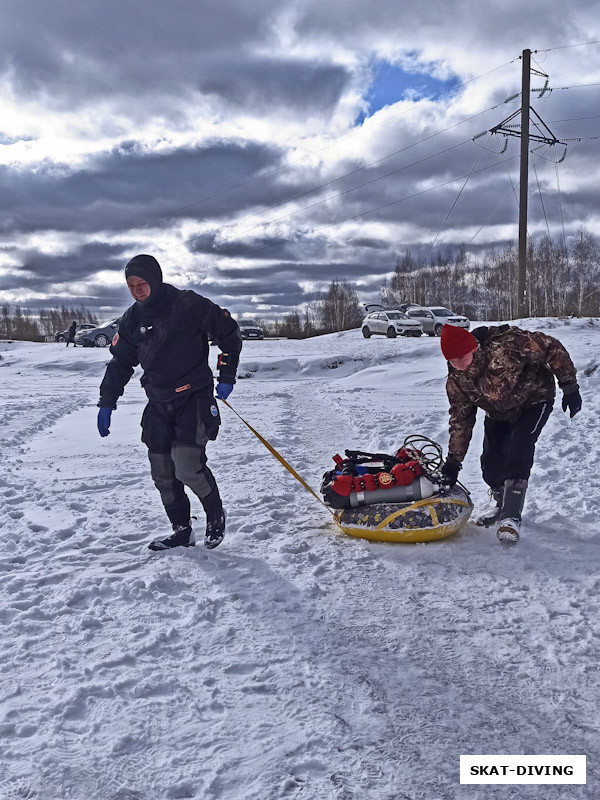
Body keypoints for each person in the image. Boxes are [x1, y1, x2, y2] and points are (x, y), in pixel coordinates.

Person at [96, 254, 242, 551]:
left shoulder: (187, 304)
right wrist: (107, 402)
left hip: (193, 397)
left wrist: (227, 374)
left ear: (156, 279)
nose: (136, 290)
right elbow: (121, 363)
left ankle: (215, 514)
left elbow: (229, 333)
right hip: (158, 402)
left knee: (187, 467)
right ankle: (181, 530)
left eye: (142, 283)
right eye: (130, 285)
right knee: (162, 471)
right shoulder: (132, 319)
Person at [439, 323, 581, 542]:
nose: (457, 365)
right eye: (451, 360)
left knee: (519, 449)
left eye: (461, 358)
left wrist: (569, 386)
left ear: (473, 348)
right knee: (491, 465)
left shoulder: (508, 344)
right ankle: (502, 507)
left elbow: (551, 347)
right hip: (498, 411)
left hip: (535, 399)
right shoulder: (457, 380)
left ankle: (511, 517)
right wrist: (453, 462)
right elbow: (461, 420)